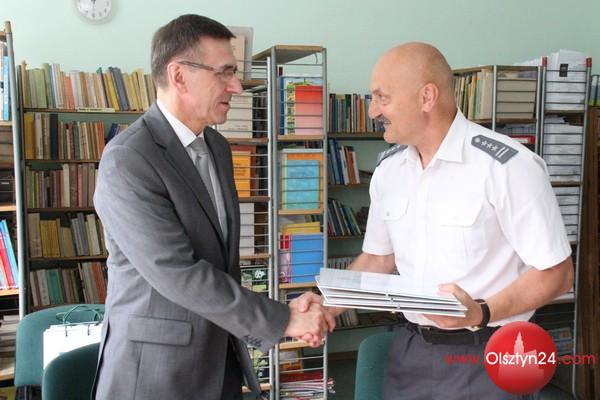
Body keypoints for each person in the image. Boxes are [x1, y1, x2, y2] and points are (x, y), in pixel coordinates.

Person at [92, 14, 334, 400]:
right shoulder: (129, 159)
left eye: (234, 73)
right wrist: (284, 319)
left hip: (219, 361)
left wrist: (282, 314)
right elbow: (177, 271)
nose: (236, 86)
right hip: (156, 374)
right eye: (224, 73)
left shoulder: (218, 147)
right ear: (179, 76)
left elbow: (219, 263)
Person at [330, 42, 574, 399]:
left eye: (382, 98)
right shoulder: (389, 170)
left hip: (489, 350)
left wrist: (480, 312)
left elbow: (556, 273)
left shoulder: (507, 166)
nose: (372, 111)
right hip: (412, 351)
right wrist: (327, 306)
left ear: (426, 97)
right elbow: (378, 259)